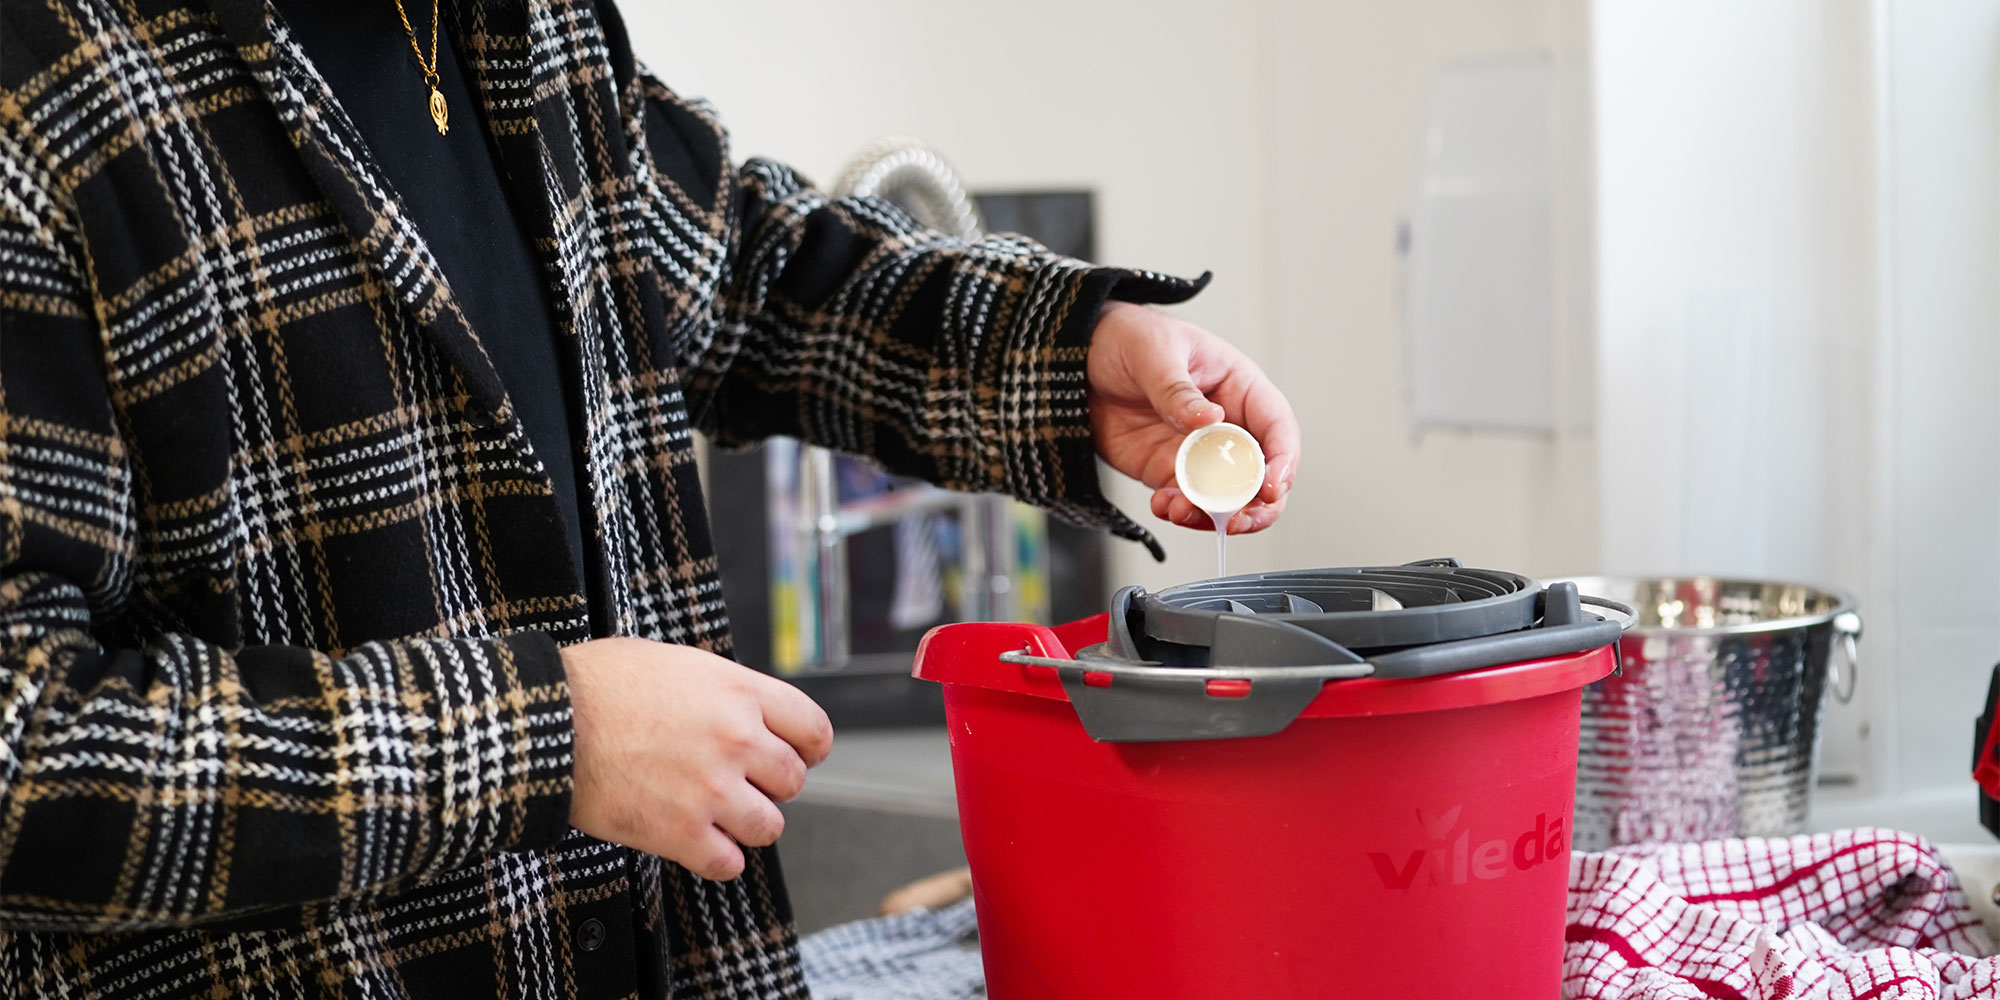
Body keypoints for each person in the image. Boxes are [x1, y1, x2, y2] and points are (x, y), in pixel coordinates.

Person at [0, 0, 1300, 996]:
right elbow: (21, 751)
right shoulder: (41, 93)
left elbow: (741, 273)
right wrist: (546, 740)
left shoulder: (524, 25)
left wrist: (1060, 361)